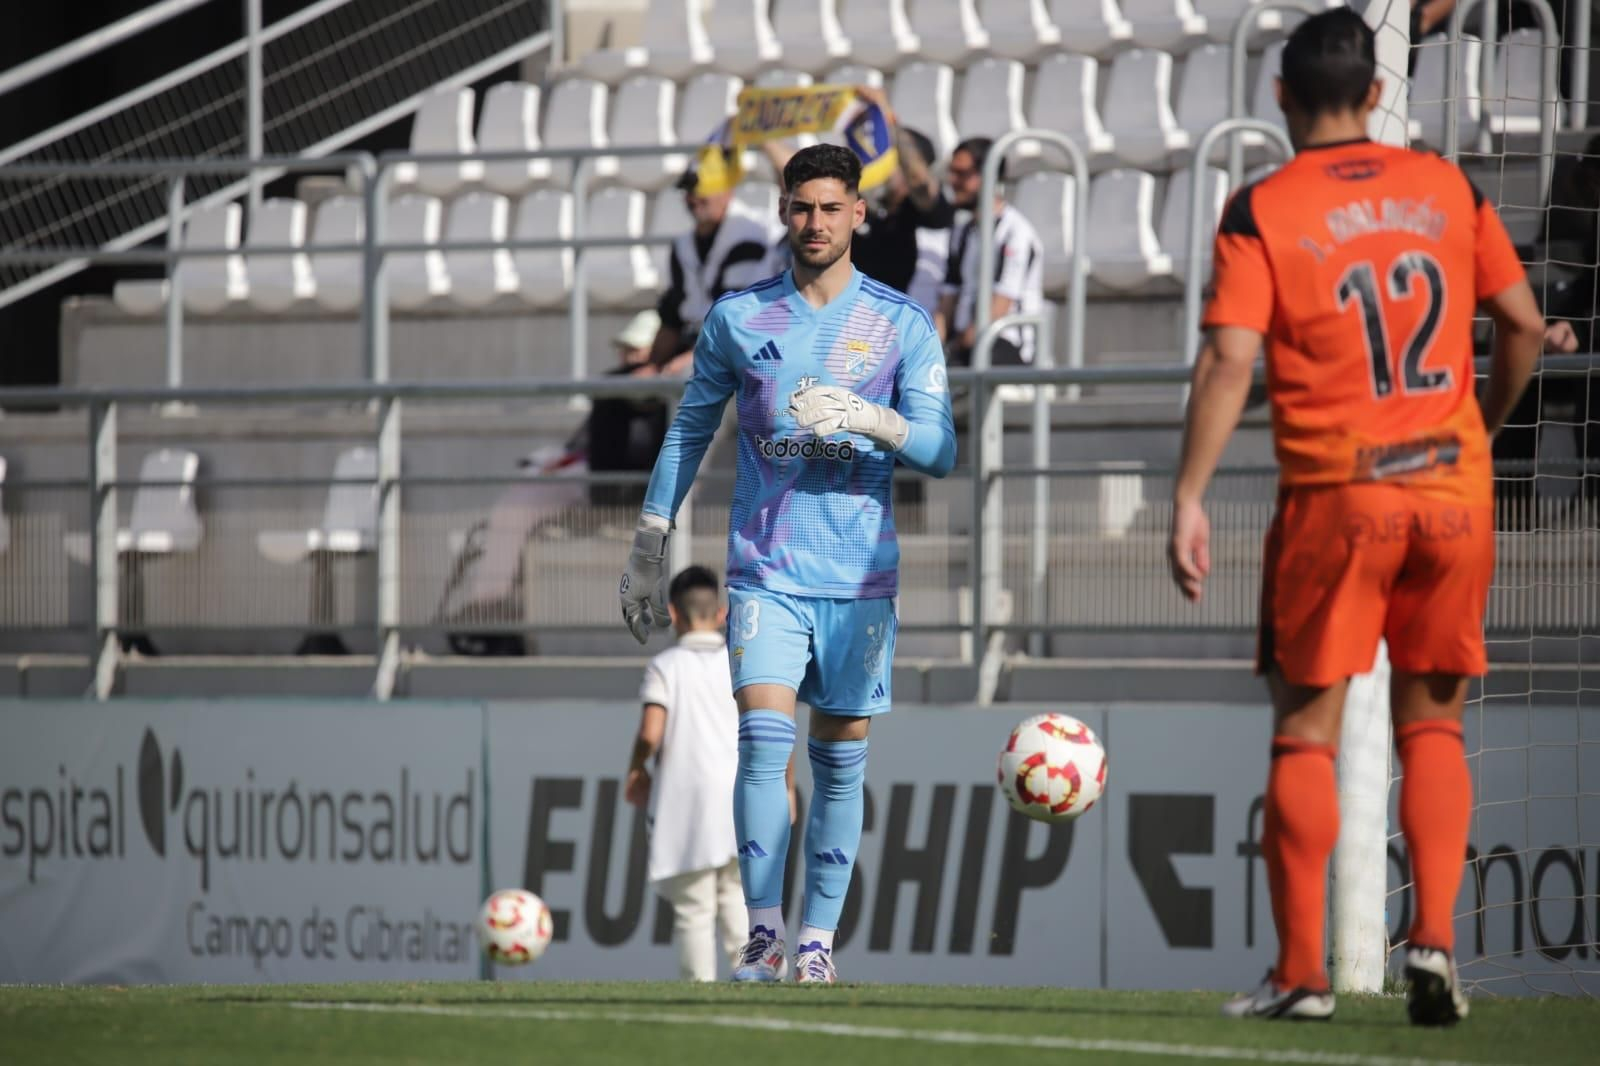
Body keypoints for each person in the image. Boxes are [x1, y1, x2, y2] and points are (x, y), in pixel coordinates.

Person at [1168, 8, 1544, 1025]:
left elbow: (1229, 358)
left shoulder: (1262, 208)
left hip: (1340, 494)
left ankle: (1300, 974)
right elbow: (1518, 326)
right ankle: (1433, 942)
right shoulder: (1447, 185)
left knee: (1305, 730)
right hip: (1455, 492)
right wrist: (1483, 425)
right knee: (1433, 724)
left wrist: (1189, 494)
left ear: (1281, 97)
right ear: (1377, 93)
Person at [617, 144, 956, 985]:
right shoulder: (739, 318)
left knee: (840, 761)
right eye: (801, 207)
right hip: (765, 569)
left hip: (860, 576)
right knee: (764, 741)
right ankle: (764, 930)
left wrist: (873, 420)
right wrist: (649, 540)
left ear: (859, 214)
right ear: (782, 210)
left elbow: (944, 448)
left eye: (831, 207)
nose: (815, 222)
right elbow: (691, 429)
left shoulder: (900, 323)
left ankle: (817, 942)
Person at [624, 565, 744, 982]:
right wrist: (785, 787)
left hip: (686, 803)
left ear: (673, 613)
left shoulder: (666, 666)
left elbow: (650, 732)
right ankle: (761, 983)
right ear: (723, 613)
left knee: (694, 908)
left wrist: (637, 768)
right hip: (740, 799)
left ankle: (702, 992)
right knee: (738, 899)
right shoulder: (742, 663)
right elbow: (771, 727)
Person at [761, 87, 956, 315]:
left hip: (907, 325)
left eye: (887, 155)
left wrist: (885, 119)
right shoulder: (863, 208)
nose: (877, 162)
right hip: (853, 323)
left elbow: (919, 179)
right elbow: (802, 178)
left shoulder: (929, 212)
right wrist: (762, 134)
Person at [649, 161, 784, 373]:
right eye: (689, 191)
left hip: (743, 345)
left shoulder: (749, 233)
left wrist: (686, 360)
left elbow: (738, 316)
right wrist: (651, 366)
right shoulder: (683, 245)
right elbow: (672, 316)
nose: (693, 198)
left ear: (727, 192)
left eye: (703, 191)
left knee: (684, 375)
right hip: (697, 342)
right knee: (616, 389)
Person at [937, 136, 1045, 367]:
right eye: (951, 172)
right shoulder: (963, 231)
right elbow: (948, 296)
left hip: (1006, 345)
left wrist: (957, 350)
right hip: (965, 342)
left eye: (961, 174)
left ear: (988, 177)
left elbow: (1001, 305)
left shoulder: (1016, 232)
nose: (952, 181)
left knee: (976, 359)